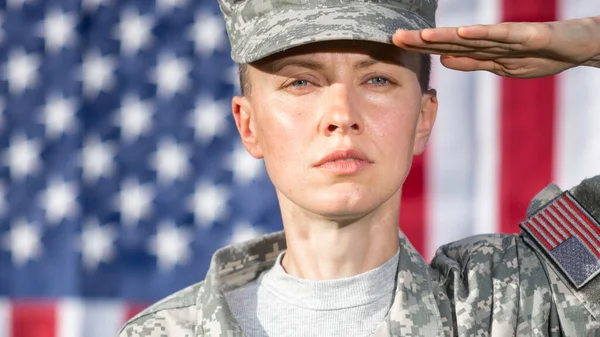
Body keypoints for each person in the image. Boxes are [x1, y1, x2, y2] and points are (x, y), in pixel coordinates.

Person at [118, 0, 600, 335]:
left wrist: (593, 41)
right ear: (249, 125)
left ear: (423, 119)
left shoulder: (522, 302)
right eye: (302, 82)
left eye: (377, 78)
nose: (342, 114)